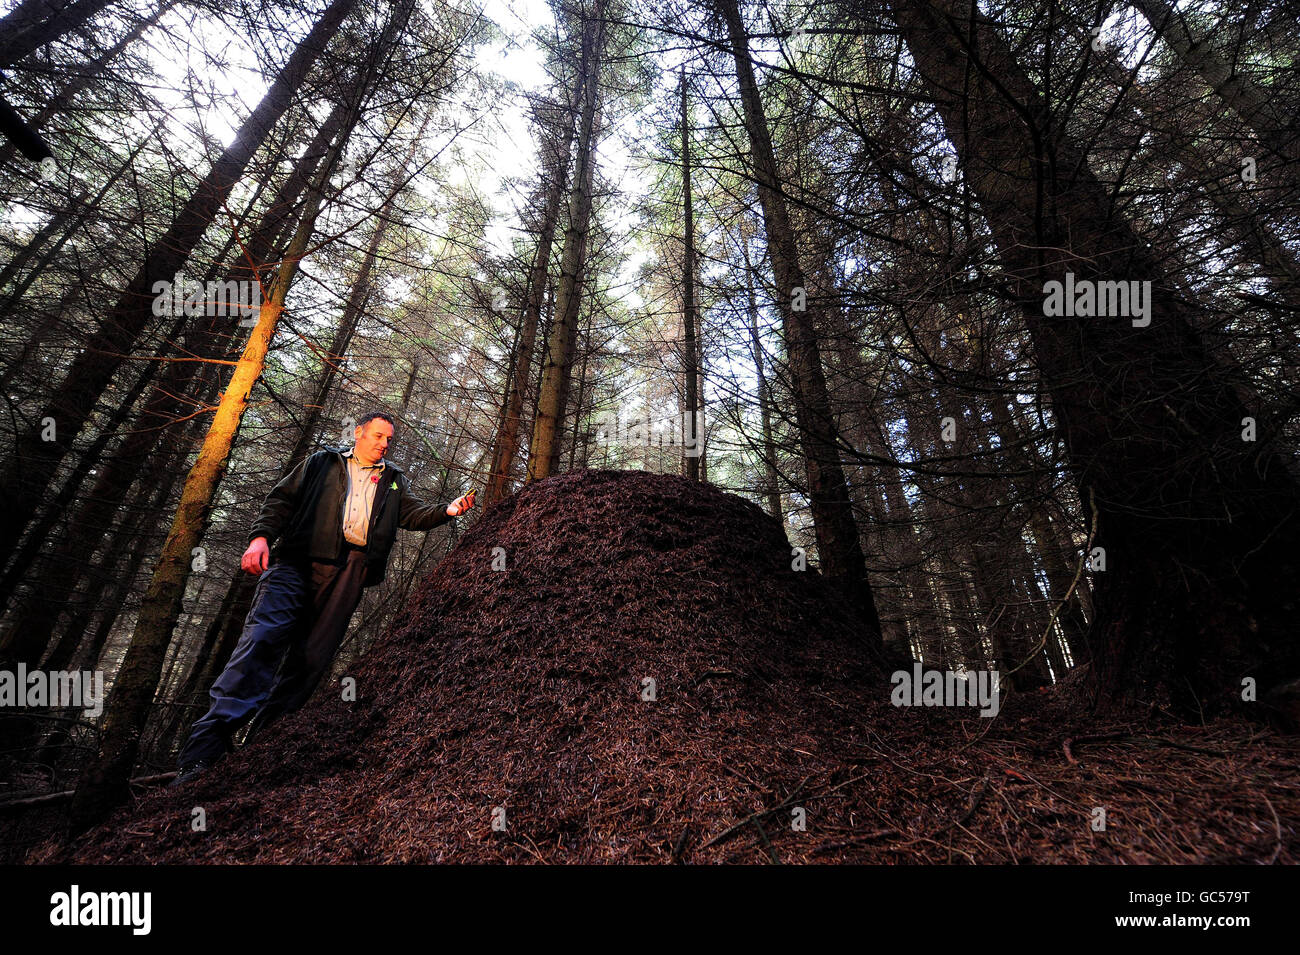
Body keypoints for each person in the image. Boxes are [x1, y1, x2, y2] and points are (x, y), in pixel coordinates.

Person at [173, 411, 475, 784]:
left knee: (310, 660)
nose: (384, 443)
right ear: (359, 433)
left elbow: (412, 515)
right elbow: (281, 500)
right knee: (262, 639)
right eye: (378, 436)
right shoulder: (323, 461)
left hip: (350, 571)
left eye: (388, 440)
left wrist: (448, 509)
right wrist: (261, 536)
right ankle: (202, 754)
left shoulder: (394, 480)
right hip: (296, 562)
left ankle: (258, 753)